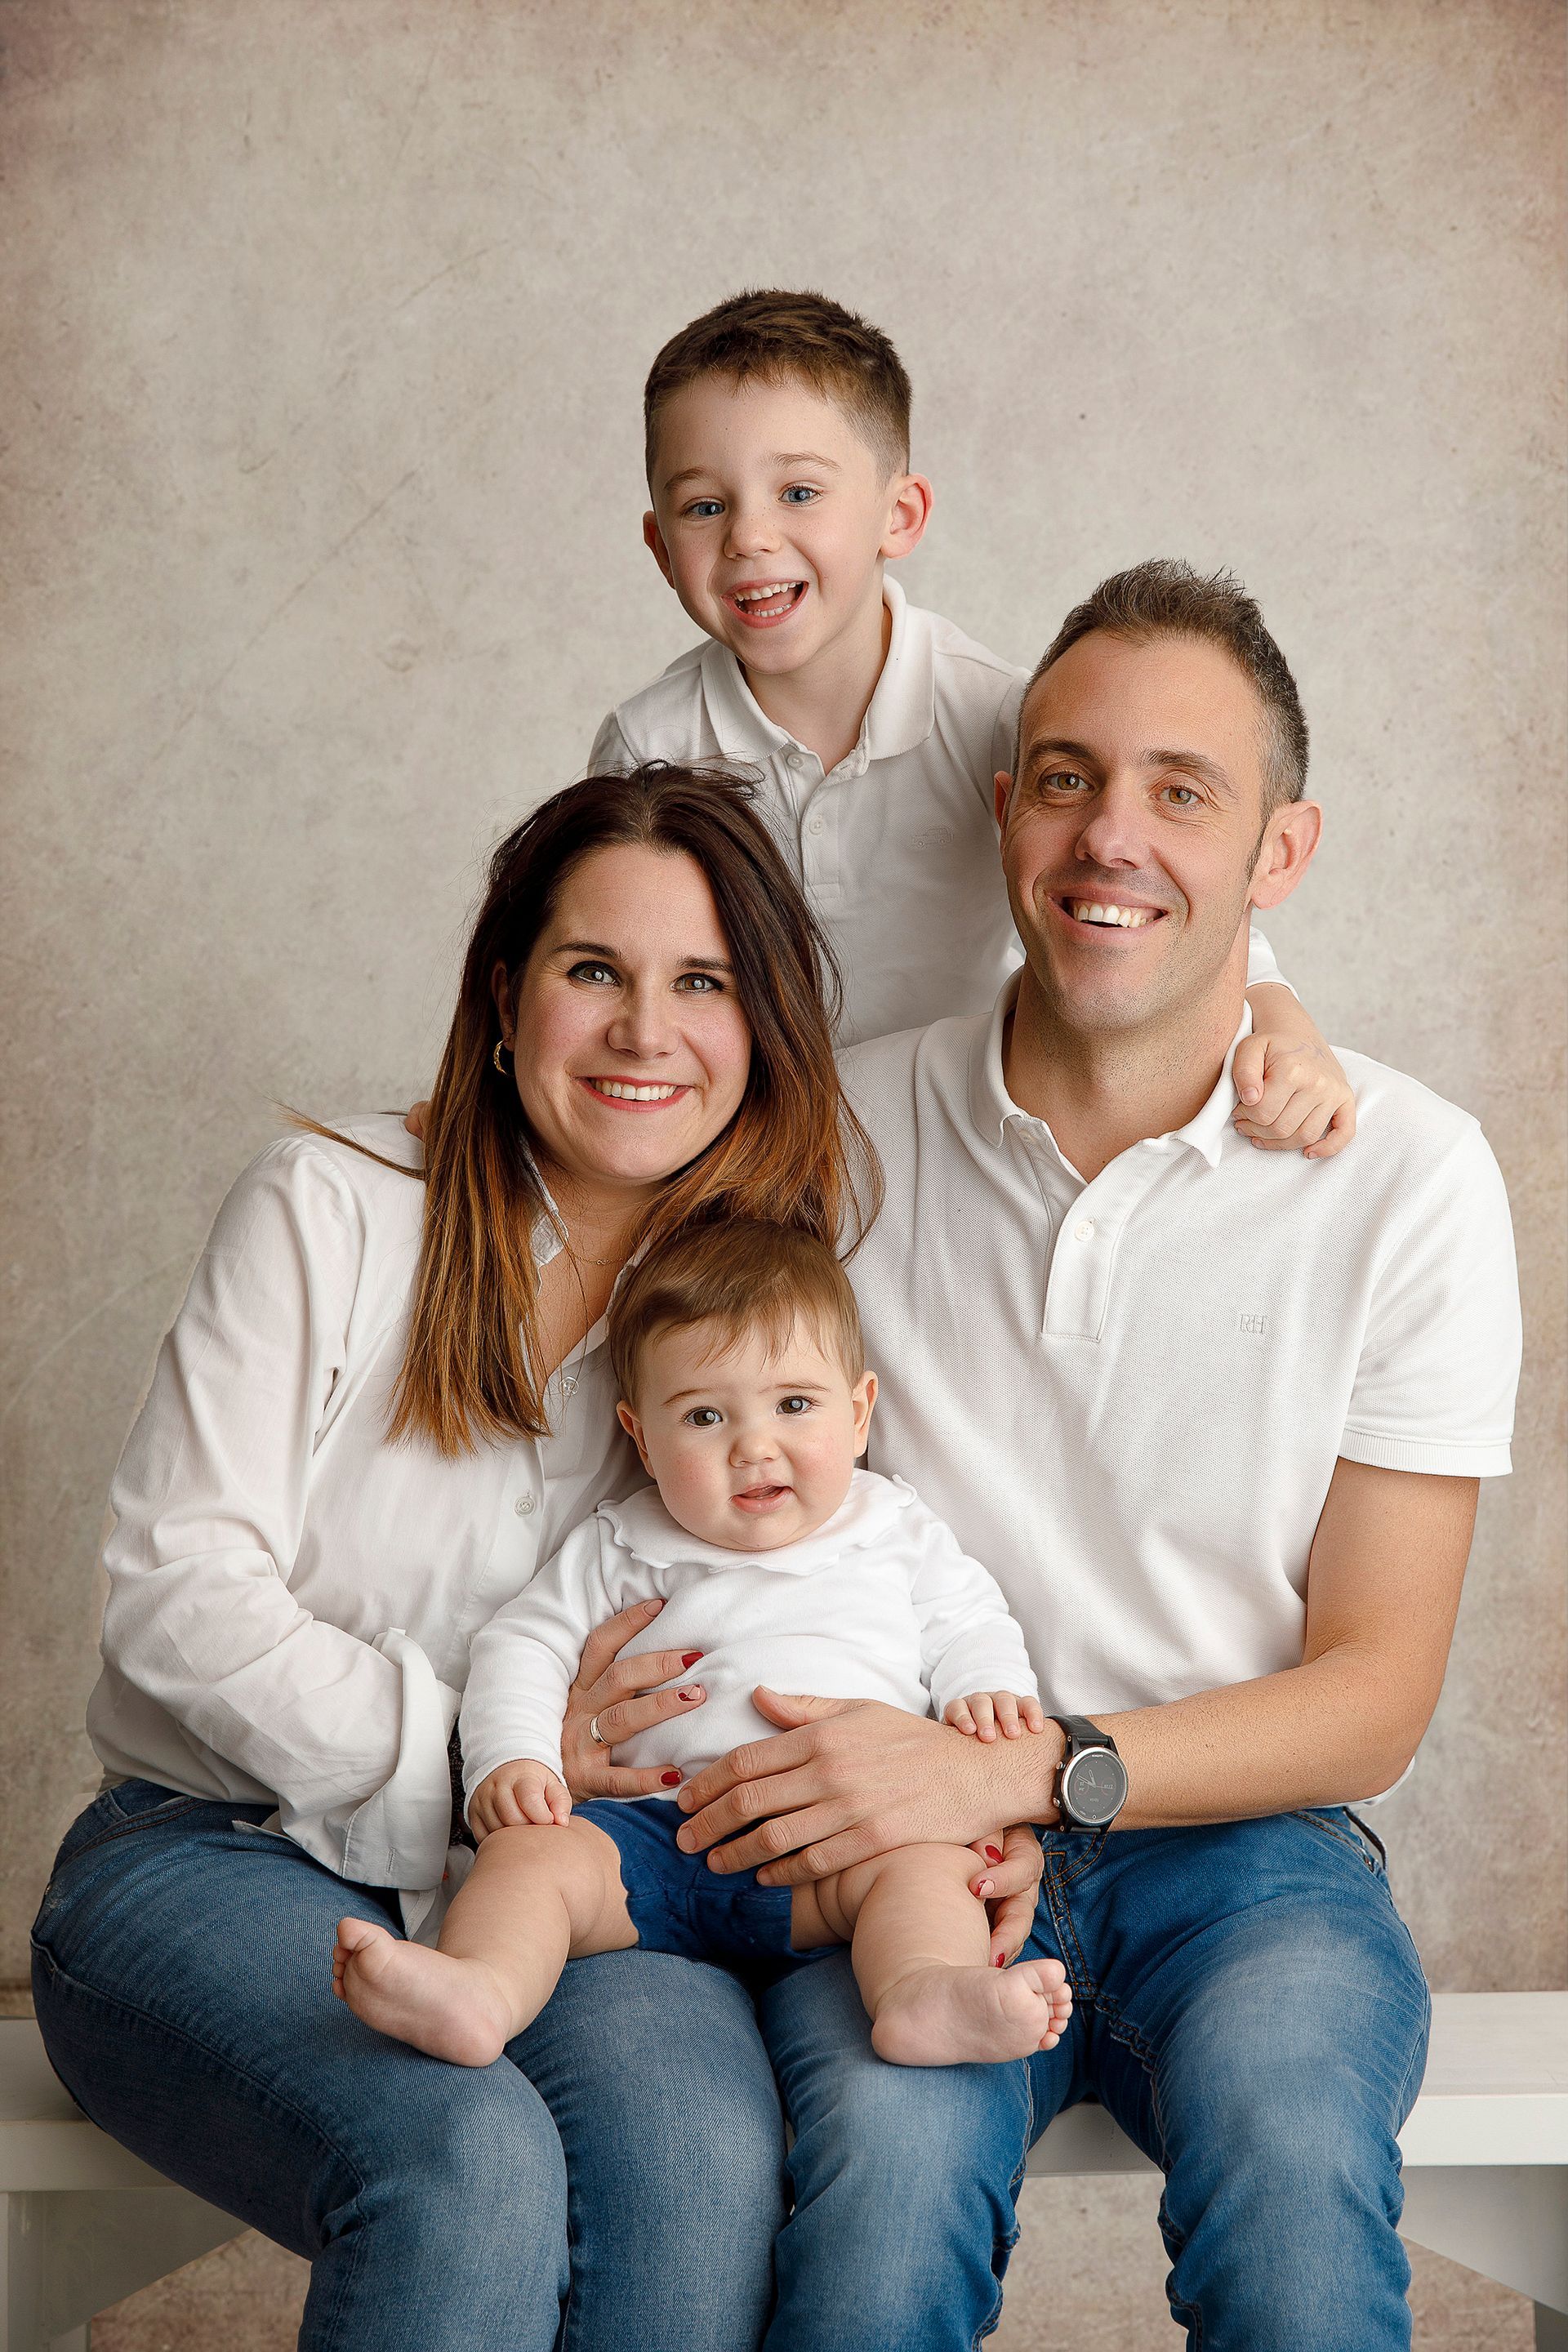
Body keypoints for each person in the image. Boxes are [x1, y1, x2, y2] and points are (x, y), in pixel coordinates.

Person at [664, 562, 1522, 2350]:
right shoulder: (834, 1127)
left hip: (1246, 1849)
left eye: (1179, 792)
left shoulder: (1410, 1175)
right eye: (1065, 777)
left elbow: (1373, 1694)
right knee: (877, 2212)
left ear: (1279, 857)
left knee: (1293, 2181)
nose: (1107, 834)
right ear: (1004, 812)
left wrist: (1028, 1775)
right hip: (902, 1855)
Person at [30, 764, 903, 2352]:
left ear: (762, 1026)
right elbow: (176, 1593)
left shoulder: (759, 1321)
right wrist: (473, 1752)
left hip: (573, 1890)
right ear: (507, 997)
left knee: (704, 2165)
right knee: (467, 2157)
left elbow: (837, 1612)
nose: (647, 1031)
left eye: (702, 982)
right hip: (209, 1856)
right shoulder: (335, 1207)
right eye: (595, 973)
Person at [590, 286, 1352, 1169]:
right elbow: (581, 943)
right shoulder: (648, 745)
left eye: (798, 491)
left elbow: (1158, 878)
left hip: (955, 1144)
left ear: (900, 515)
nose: (751, 537)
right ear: (658, 547)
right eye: (704, 508)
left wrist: (1282, 1014)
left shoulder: (999, 715)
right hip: (736, 1148)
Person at [332, 1218, 1072, 2071]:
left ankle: (923, 1991)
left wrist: (984, 1689)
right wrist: (514, 1758)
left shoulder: (895, 1526)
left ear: (860, 1411)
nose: (753, 1446)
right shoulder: (621, 1541)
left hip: (847, 1844)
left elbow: (971, 1620)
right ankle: (479, 1989)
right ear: (641, 1437)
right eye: (705, 1416)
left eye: (794, 1404)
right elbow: (522, 1644)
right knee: (530, 1856)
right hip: (653, 1841)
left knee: (932, 1871)